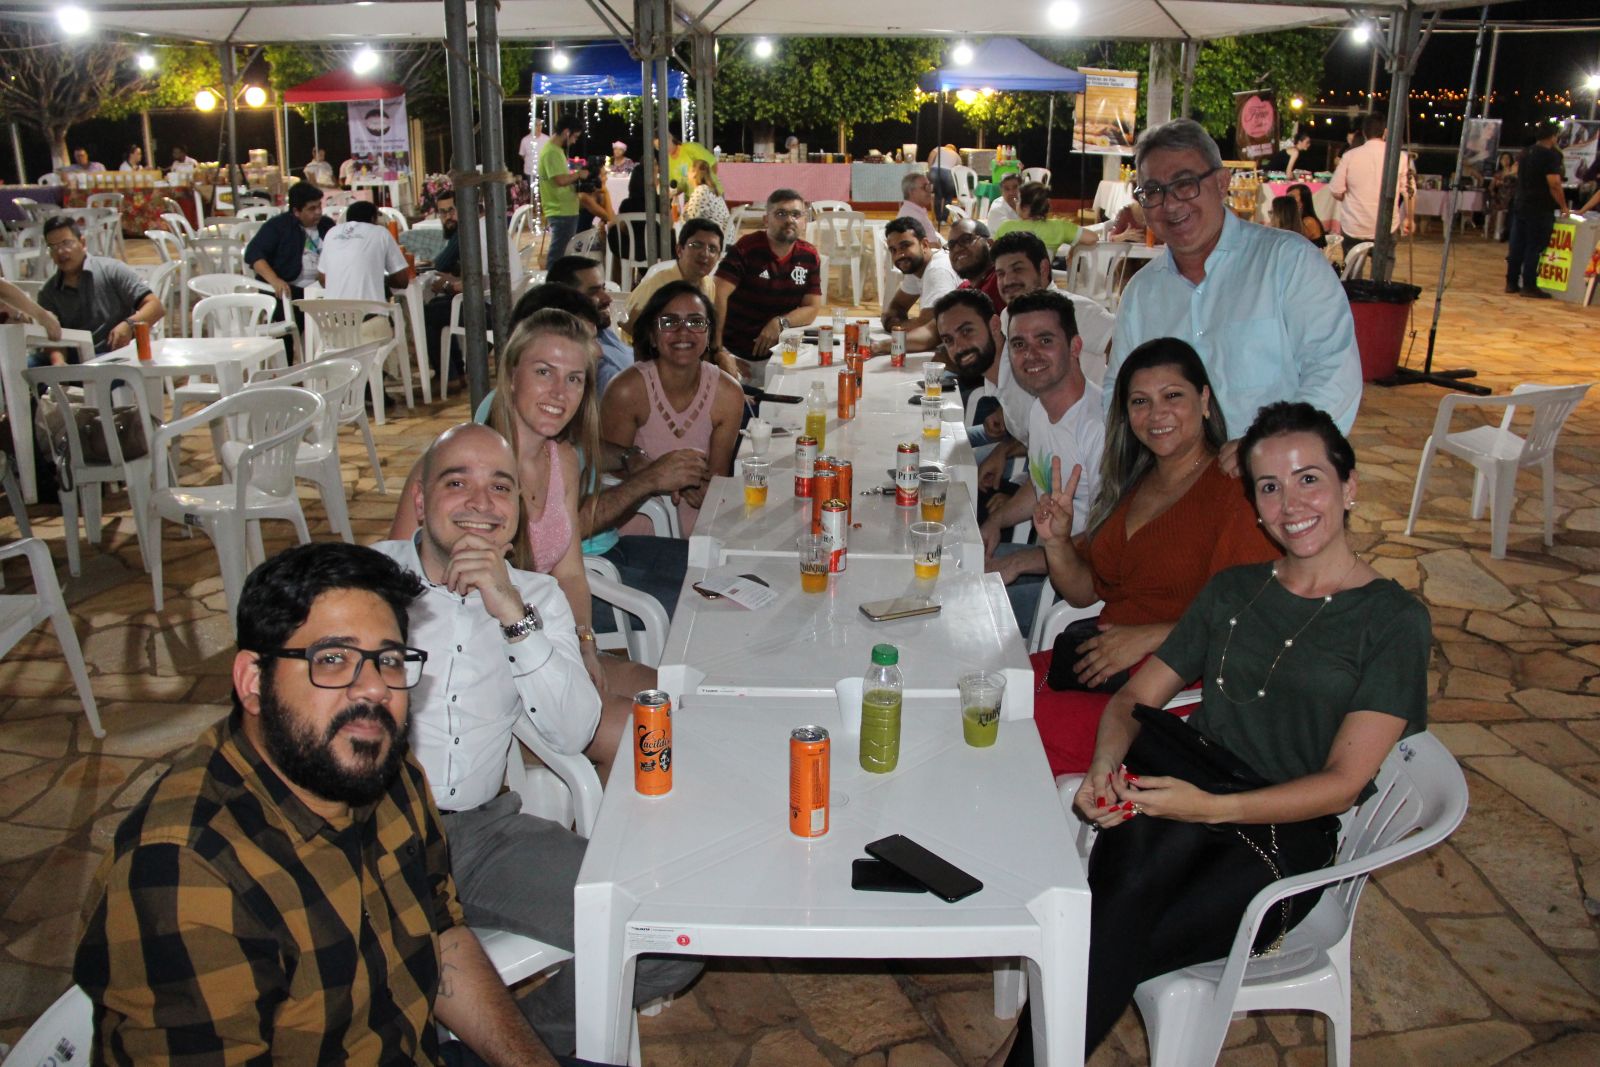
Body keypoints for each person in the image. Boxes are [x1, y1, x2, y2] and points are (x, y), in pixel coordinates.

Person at [995, 402, 1429, 1065]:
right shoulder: (1234, 591)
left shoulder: (1392, 620)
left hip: (1281, 835)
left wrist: (1209, 809)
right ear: (1255, 504)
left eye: (1309, 479)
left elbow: (1342, 785)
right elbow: (1135, 697)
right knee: (1126, 897)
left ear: (1350, 487)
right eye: (1270, 486)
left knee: (1112, 929)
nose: (1290, 504)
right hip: (1184, 784)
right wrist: (1105, 766)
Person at [74, 541, 575, 1066]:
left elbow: (442, 933)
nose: (374, 689)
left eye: (388, 660)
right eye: (333, 659)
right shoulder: (185, 871)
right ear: (253, 681)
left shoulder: (387, 771)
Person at [374, 424, 696, 1055]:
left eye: (500, 487)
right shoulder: (364, 583)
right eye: (456, 482)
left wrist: (512, 614)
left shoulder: (538, 597)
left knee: (664, 938)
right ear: (420, 499)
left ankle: (499, 1047)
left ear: (518, 512)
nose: (480, 502)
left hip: (481, 836)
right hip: (373, 830)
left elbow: (574, 730)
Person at [1026, 338, 1278, 776]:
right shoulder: (1135, 483)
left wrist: (1151, 636)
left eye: (1172, 396)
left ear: (1204, 400)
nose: (1156, 414)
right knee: (980, 688)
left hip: (1171, 692)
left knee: (1010, 726)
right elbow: (1084, 592)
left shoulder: (1234, 489)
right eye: (1140, 401)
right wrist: (1057, 542)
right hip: (1100, 663)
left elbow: (1252, 618)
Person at [1108, 118, 1362, 463]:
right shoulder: (1141, 293)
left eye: (1184, 184)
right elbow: (1117, 391)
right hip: (1172, 481)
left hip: (1275, 478)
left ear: (1221, 182)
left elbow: (1334, 372)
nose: (1170, 204)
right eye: (1153, 191)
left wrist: (1266, 449)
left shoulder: (1288, 262)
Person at [979, 288, 1105, 638]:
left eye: (1045, 340)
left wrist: (1020, 562)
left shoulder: (1098, 427)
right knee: (953, 567)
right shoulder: (1040, 409)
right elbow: (1042, 484)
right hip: (1050, 560)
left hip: (1087, 591)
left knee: (968, 611)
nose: (1030, 354)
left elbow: (1109, 540)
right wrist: (996, 521)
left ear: (1075, 347)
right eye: (1019, 344)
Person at [601, 281, 743, 536]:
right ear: (652, 335)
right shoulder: (627, 390)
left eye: (696, 322)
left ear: (709, 334)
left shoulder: (728, 394)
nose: (683, 332)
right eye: (669, 322)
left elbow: (716, 479)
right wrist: (664, 478)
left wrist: (701, 486)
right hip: (638, 523)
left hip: (700, 526)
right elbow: (609, 472)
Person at [713, 187, 822, 368]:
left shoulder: (809, 255)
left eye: (796, 214)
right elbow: (717, 294)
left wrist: (780, 323)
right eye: (781, 214)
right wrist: (718, 351)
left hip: (781, 353)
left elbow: (812, 307)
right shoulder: (746, 249)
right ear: (766, 220)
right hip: (736, 352)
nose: (789, 220)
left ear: (804, 221)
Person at [36, 217, 162, 356]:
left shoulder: (112, 270)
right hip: (73, 360)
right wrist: (58, 361)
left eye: (66, 243)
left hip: (113, 356)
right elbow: (53, 339)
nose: (60, 252)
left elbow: (155, 307)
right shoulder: (48, 292)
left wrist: (129, 325)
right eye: (53, 247)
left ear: (82, 243)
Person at [618, 217, 723, 344]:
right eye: (696, 245)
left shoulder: (708, 285)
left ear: (718, 257)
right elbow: (626, 324)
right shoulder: (658, 285)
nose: (705, 253)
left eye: (712, 249)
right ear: (679, 250)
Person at [1329, 112, 1414, 256]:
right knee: (1384, 266)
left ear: (1364, 133)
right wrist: (1410, 218)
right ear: (1385, 132)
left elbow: (1336, 190)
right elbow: (1409, 192)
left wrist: (1346, 196)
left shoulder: (1349, 156)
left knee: (1352, 267)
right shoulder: (1400, 157)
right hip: (1386, 226)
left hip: (1354, 225)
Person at [547, 253, 634, 393]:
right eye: (593, 292)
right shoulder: (597, 368)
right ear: (566, 299)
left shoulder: (601, 329)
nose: (607, 298)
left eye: (603, 288)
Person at [878, 215, 962, 353]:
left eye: (905, 246)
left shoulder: (937, 269)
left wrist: (893, 324)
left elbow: (928, 327)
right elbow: (896, 307)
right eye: (893, 250)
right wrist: (898, 324)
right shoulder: (916, 266)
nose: (899, 255)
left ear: (924, 244)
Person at [244, 182, 335, 307]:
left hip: (324, 289)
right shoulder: (278, 226)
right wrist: (275, 280)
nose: (318, 212)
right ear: (296, 211)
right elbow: (254, 254)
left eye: (319, 206)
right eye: (312, 209)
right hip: (290, 292)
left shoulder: (326, 225)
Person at [1507, 120, 1568, 299]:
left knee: (1517, 245)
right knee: (1534, 246)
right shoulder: (1550, 155)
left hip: (1520, 203)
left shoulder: (1526, 152)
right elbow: (1554, 183)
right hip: (1539, 207)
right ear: (1553, 137)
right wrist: (1563, 205)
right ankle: (1529, 285)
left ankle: (1511, 282)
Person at [316, 200, 410, 303]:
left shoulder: (332, 233)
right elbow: (402, 280)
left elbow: (323, 280)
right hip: (369, 310)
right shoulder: (381, 232)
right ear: (373, 218)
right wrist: (378, 278)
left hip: (333, 311)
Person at [993, 181, 1097, 260]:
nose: (1016, 203)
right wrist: (1072, 250)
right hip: (1042, 282)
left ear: (1025, 208)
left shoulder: (1005, 227)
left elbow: (994, 257)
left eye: (1018, 200)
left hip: (1008, 281)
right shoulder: (1059, 227)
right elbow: (1092, 238)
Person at [540, 115, 591, 267]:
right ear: (567, 132)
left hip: (564, 208)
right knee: (558, 257)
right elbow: (560, 180)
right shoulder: (551, 152)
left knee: (562, 255)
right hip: (560, 210)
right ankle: (553, 280)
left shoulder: (555, 150)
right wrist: (579, 174)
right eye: (575, 137)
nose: (574, 141)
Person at [946, 217, 1005, 311]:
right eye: (951, 245)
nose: (956, 249)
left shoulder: (1003, 278)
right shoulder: (961, 291)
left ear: (989, 243)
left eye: (965, 239)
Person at [682, 158, 730, 235]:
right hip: (725, 233)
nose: (687, 174)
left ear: (694, 173)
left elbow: (689, 222)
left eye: (689, 171)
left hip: (717, 236)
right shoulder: (709, 189)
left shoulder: (701, 191)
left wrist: (683, 210)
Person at [896, 171, 944, 248]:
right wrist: (936, 245)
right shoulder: (910, 217)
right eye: (925, 187)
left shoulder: (914, 211)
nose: (929, 191)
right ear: (911, 192)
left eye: (929, 186)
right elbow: (912, 248)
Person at [1486, 151, 1518, 242]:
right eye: (1503, 158)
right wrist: (1493, 193)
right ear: (1500, 161)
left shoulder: (1514, 171)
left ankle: (1507, 232)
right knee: (1494, 203)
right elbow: (1491, 187)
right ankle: (1495, 232)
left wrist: (1503, 182)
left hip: (1512, 197)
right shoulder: (1498, 173)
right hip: (1501, 197)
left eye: (1507, 158)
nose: (1505, 160)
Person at [927, 143, 961, 226]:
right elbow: (958, 169)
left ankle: (938, 218)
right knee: (948, 197)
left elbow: (931, 156)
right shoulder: (956, 155)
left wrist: (930, 169)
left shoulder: (939, 148)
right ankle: (944, 219)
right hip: (949, 173)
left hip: (935, 170)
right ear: (954, 149)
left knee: (938, 195)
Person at [1286, 182, 1327, 246]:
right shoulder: (1295, 219)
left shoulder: (1308, 221)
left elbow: (1294, 243)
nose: (1287, 201)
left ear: (1303, 201)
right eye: (1287, 198)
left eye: (1292, 198)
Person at [520, 117, 550, 193]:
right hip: (530, 172)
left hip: (544, 172)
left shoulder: (547, 139)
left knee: (545, 193)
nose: (539, 127)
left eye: (540, 125)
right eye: (537, 125)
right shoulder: (525, 140)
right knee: (533, 194)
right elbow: (522, 155)